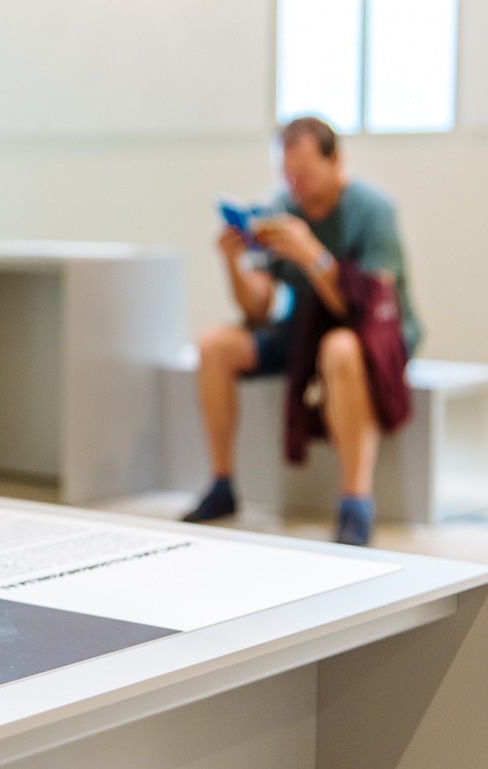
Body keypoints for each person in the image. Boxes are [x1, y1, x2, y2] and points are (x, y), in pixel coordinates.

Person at [184, 117, 421, 546]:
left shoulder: (373, 211)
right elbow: (257, 308)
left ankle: (355, 501)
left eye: (306, 174)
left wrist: (312, 256)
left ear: (336, 162)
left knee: (341, 349)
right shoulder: (281, 209)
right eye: (288, 175)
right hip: (300, 331)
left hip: (369, 331)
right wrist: (232, 263)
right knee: (215, 346)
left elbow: (362, 308)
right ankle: (222, 484)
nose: (297, 186)